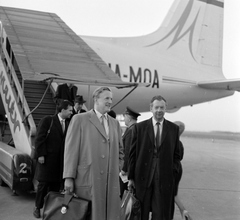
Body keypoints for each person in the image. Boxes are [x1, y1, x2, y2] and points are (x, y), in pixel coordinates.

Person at [63, 86, 124, 220]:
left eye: (111, 99)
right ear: (96, 99)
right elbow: (71, 151)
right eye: (107, 98)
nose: (110, 101)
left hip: (110, 181)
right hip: (88, 178)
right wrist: (68, 177)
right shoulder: (80, 119)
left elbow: (121, 151)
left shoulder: (115, 124)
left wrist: (116, 167)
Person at [128, 95, 181, 220]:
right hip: (142, 178)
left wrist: (172, 172)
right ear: (151, 108)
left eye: (162, 107)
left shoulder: (173, 129)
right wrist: (131, 177)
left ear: (165, 109)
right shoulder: (139, 128)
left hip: (163, 179)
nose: (159, 110)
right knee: (141, 212)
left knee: (160, 213)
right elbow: (132, 155)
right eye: (156, 107)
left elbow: (177, 155)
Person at [33, 100, 73, 218]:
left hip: (60, 162)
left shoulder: (69, 123)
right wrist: (40, 155)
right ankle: (37, 207)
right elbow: (39, 138)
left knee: (55, 188)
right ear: (63, 110)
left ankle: (50, 209)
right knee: (43, 185)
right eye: (70, 110)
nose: (72, 112)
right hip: (47, 160)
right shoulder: (48, 120)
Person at [120, 106, 141, 198]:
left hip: (127, 171)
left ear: (128, 117)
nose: (124, 119)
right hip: (131, 168)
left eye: (124, 116)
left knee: (124, 194)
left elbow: (128, 151)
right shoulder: (136, 128)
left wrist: (124, 168)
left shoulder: (131, 130)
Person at [172, 121, 191, 220]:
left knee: (172, 193)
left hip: (172, 170)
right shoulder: (180, 143)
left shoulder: (171, 143)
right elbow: (181, 157)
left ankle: (184, 211)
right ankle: (184, 212)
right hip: (179, 169)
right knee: (174, 193)